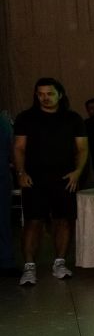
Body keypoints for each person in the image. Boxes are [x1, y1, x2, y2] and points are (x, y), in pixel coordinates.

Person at [13, 78, 88, 285]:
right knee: (33, 221)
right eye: (40, 94)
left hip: (65, 178)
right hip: (34, 178)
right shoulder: (26, 118)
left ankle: (60, 263)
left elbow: (82, 149)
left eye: (49, 93)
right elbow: (19, 147)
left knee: (63, 220)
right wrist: (21, 173)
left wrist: (77, 172)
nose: (45, 98)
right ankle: (29, 267)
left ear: (60, 95)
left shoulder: (73, 118)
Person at [0, 110, 16, 276]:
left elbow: (13, 149)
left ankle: (7, 262)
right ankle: (7, 261)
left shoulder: (3, 122)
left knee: (3, 221)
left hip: (2, 177)